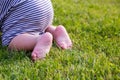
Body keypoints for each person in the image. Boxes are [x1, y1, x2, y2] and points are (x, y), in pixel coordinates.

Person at [0, 0, 72, 61]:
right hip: (44, 5)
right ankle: (54, 31)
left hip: (25, 9)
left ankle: (38, 40)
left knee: (10, 40)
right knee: (36, 27)